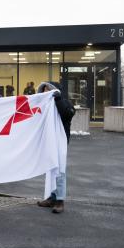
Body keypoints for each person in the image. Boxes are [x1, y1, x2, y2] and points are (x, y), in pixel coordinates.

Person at [37, 81, 75, 214]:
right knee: (51, 169)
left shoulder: (64, 102)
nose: (46, 92)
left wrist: (58, 99)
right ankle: (52, 197)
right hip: (49, 141)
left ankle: (60, 200)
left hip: (60, 141)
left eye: (49, 90)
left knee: (59, 171)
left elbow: (68, 113)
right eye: (44, 90)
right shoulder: (45, 106)